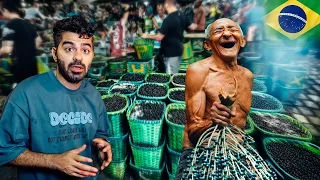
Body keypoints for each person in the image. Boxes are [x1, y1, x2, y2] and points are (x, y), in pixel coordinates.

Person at [0, 15, 112, 180]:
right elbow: (5, 150)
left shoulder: (94, 95)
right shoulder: (25, 94)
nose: (78, 57)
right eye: (69, 49)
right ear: (54, 54)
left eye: (85, 50)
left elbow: (100, 133)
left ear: (92, 55)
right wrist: (54, 161)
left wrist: (100, 144)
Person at [176, 18, 254, 179]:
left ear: (242, 41)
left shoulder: (248, 76)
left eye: (233, 29)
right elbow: (193, 131)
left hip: (235, 150)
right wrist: (212, 120)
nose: (226, 33)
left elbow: (240, 123)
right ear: (207, 45)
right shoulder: (199, 71)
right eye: (219, 31)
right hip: (201, 150)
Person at [142, 0, 197, 74]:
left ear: (167, 4)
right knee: (174, 70)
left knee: (170, 74)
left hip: (171, 52)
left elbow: (159, 37)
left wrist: (147, 36)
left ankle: (172, 84)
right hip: (179, 49)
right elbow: (191, 28)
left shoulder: (168, 19)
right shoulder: (182, 15)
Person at [0, 0, 39, 83]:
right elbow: (38, 41)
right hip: (33, 65)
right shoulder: (27, 23)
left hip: (21, 68)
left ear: (5, 10)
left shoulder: (10, 25)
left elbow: (6, 49)